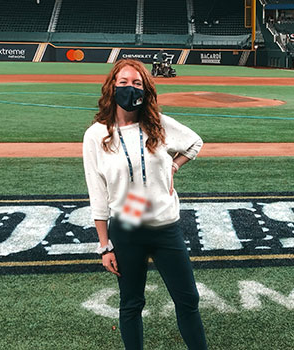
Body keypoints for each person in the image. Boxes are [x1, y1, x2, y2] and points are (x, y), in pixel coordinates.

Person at [83, 59, 208, 350]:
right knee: (131, 304)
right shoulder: (96, 135)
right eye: (124, 82)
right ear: (112, 86)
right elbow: (97, 193)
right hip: (127, 229)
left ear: (146, 89)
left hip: (166, 228)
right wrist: (104, 246)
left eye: (137, 83)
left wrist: (173, 167)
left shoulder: (159, 125)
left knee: (188, 299)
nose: (130, 88)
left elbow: (194, 143)